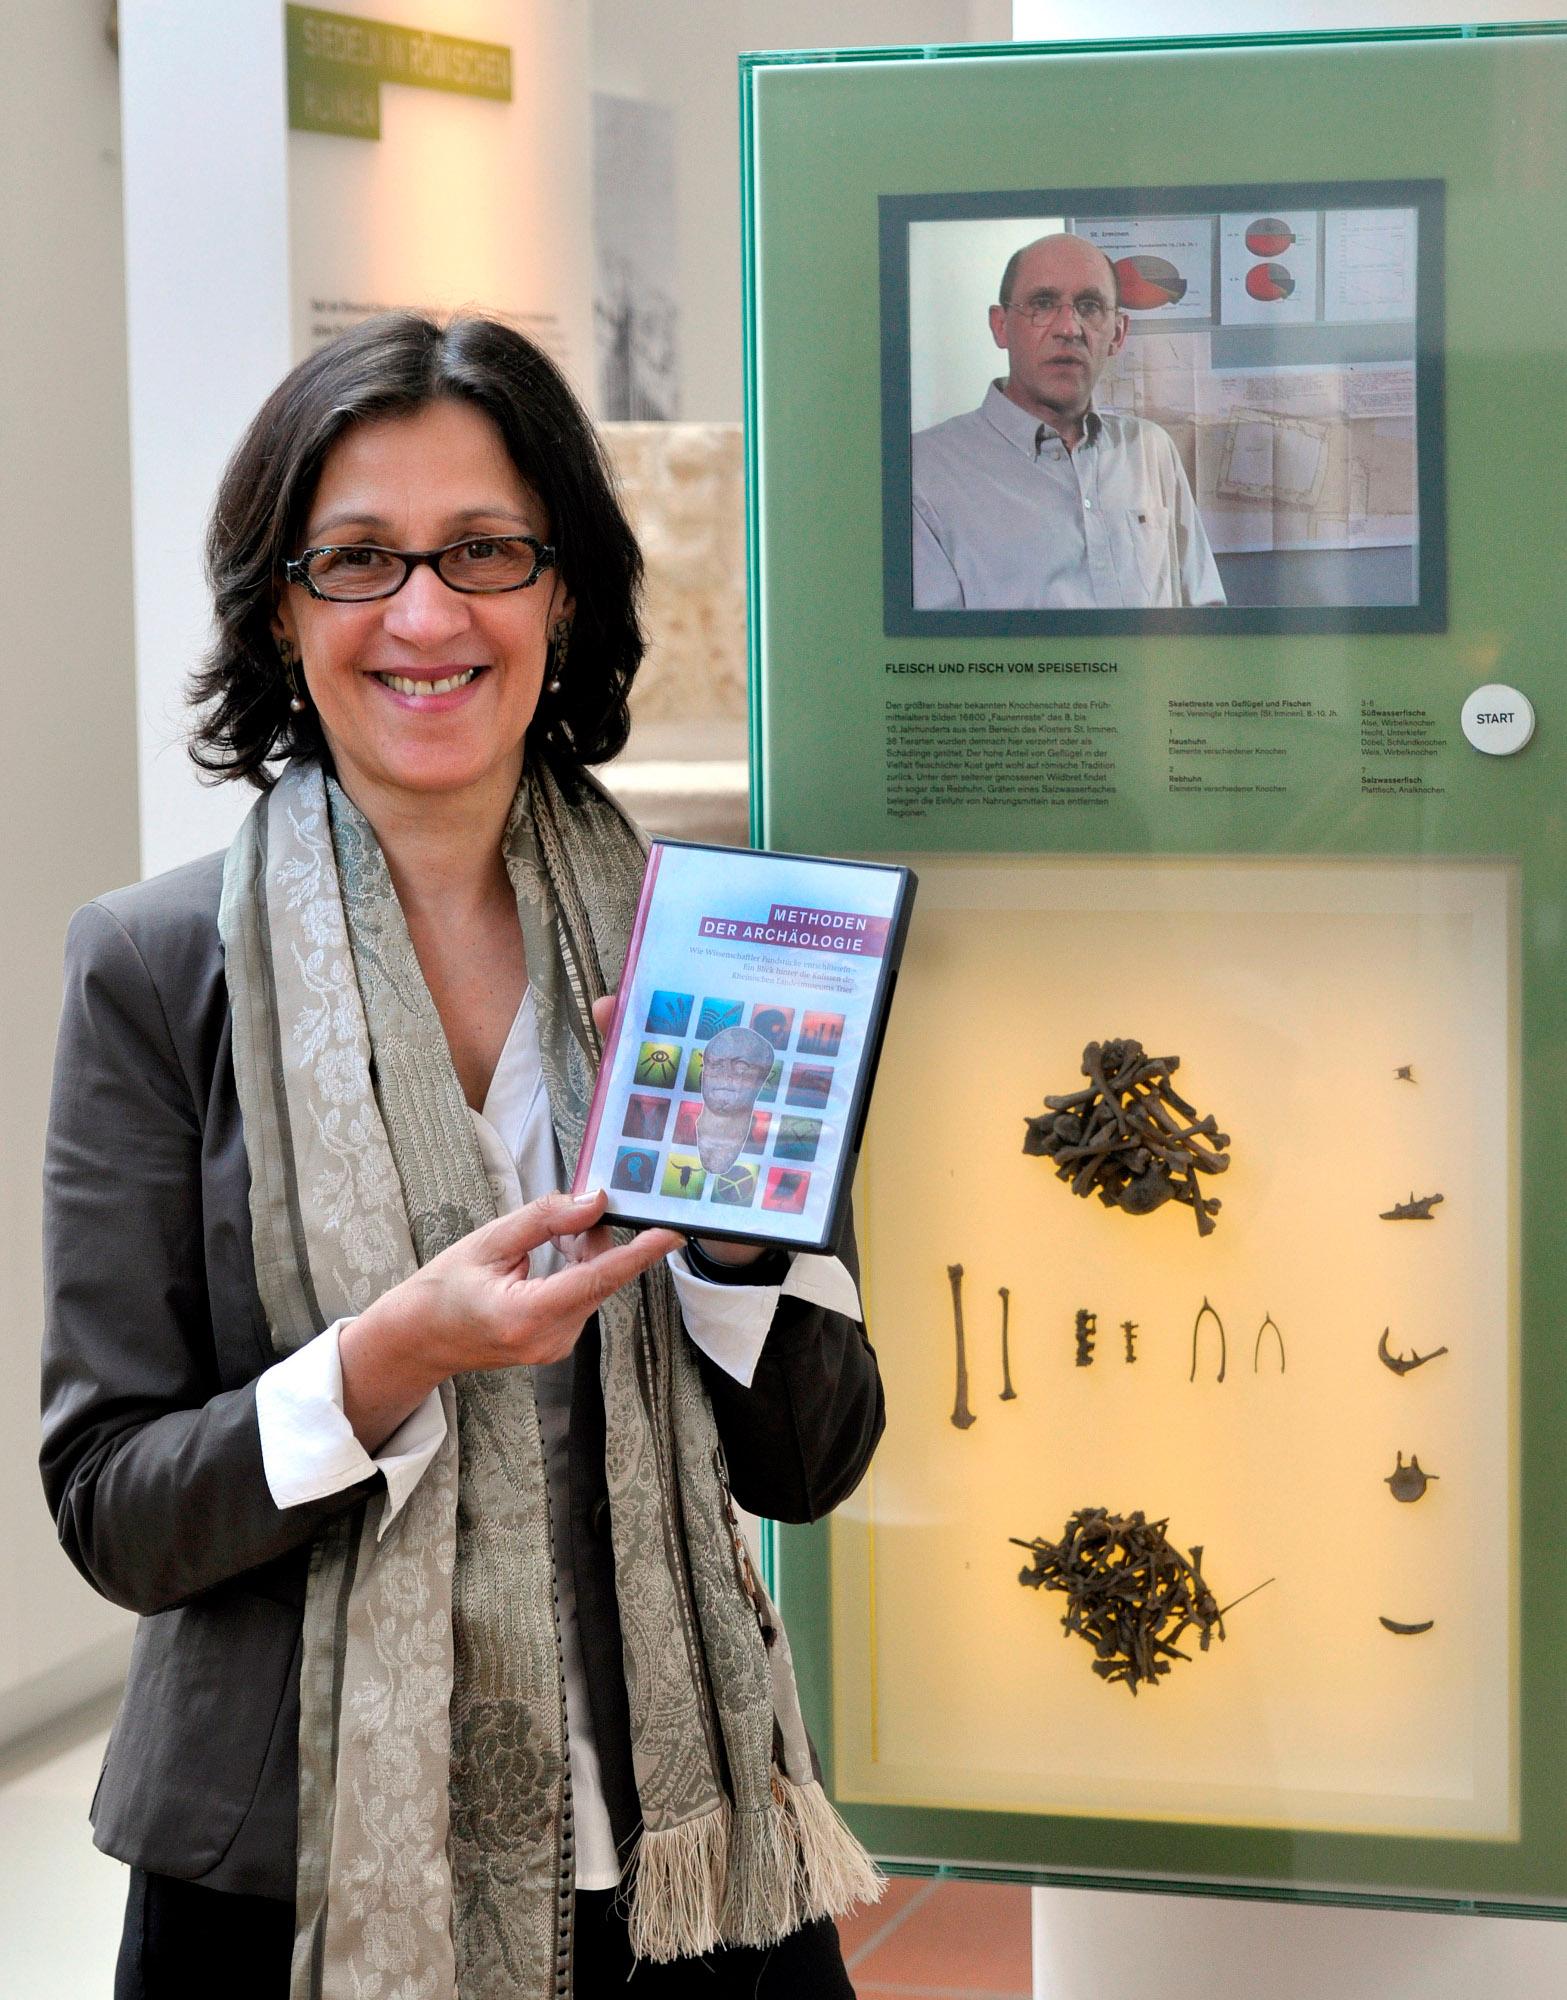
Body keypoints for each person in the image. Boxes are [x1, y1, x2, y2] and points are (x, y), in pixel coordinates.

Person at [40, 314, 885, 1998]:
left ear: (561, 591)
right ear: (278, 609)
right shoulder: (157, 970)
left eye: (484, 551)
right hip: (290, 1885)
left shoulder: (706, 951)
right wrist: (384, 1362)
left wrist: (722, 1247)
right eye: (357, 560)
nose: (424, 614)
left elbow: (811, 1459)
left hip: (682, 1869)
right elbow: (116, 1511)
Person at [912, 231, 1224, 611]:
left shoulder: (1150, 451)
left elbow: (1206, 619)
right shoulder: (923, 471)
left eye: (1090, 306)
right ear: (1000, 326)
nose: (1069, 328)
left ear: (1118, 334)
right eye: (1042, 304)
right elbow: (932, 661)